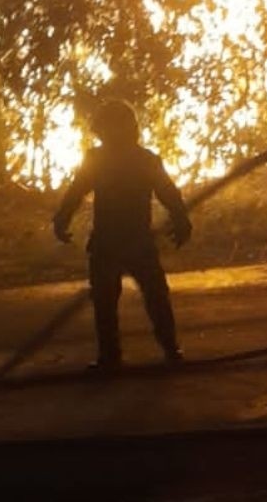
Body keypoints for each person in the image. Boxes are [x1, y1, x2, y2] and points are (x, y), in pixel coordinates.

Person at [53, 99, 192, 369]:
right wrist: (181, 220)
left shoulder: (106, 159)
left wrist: (61, 220)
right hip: (130, 240)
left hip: (117, 240)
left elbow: (75, 193)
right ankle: (165, 350)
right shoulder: (139, 159)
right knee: (147, 297)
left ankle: (116, 355)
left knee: (123, 299)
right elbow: (170, 195)